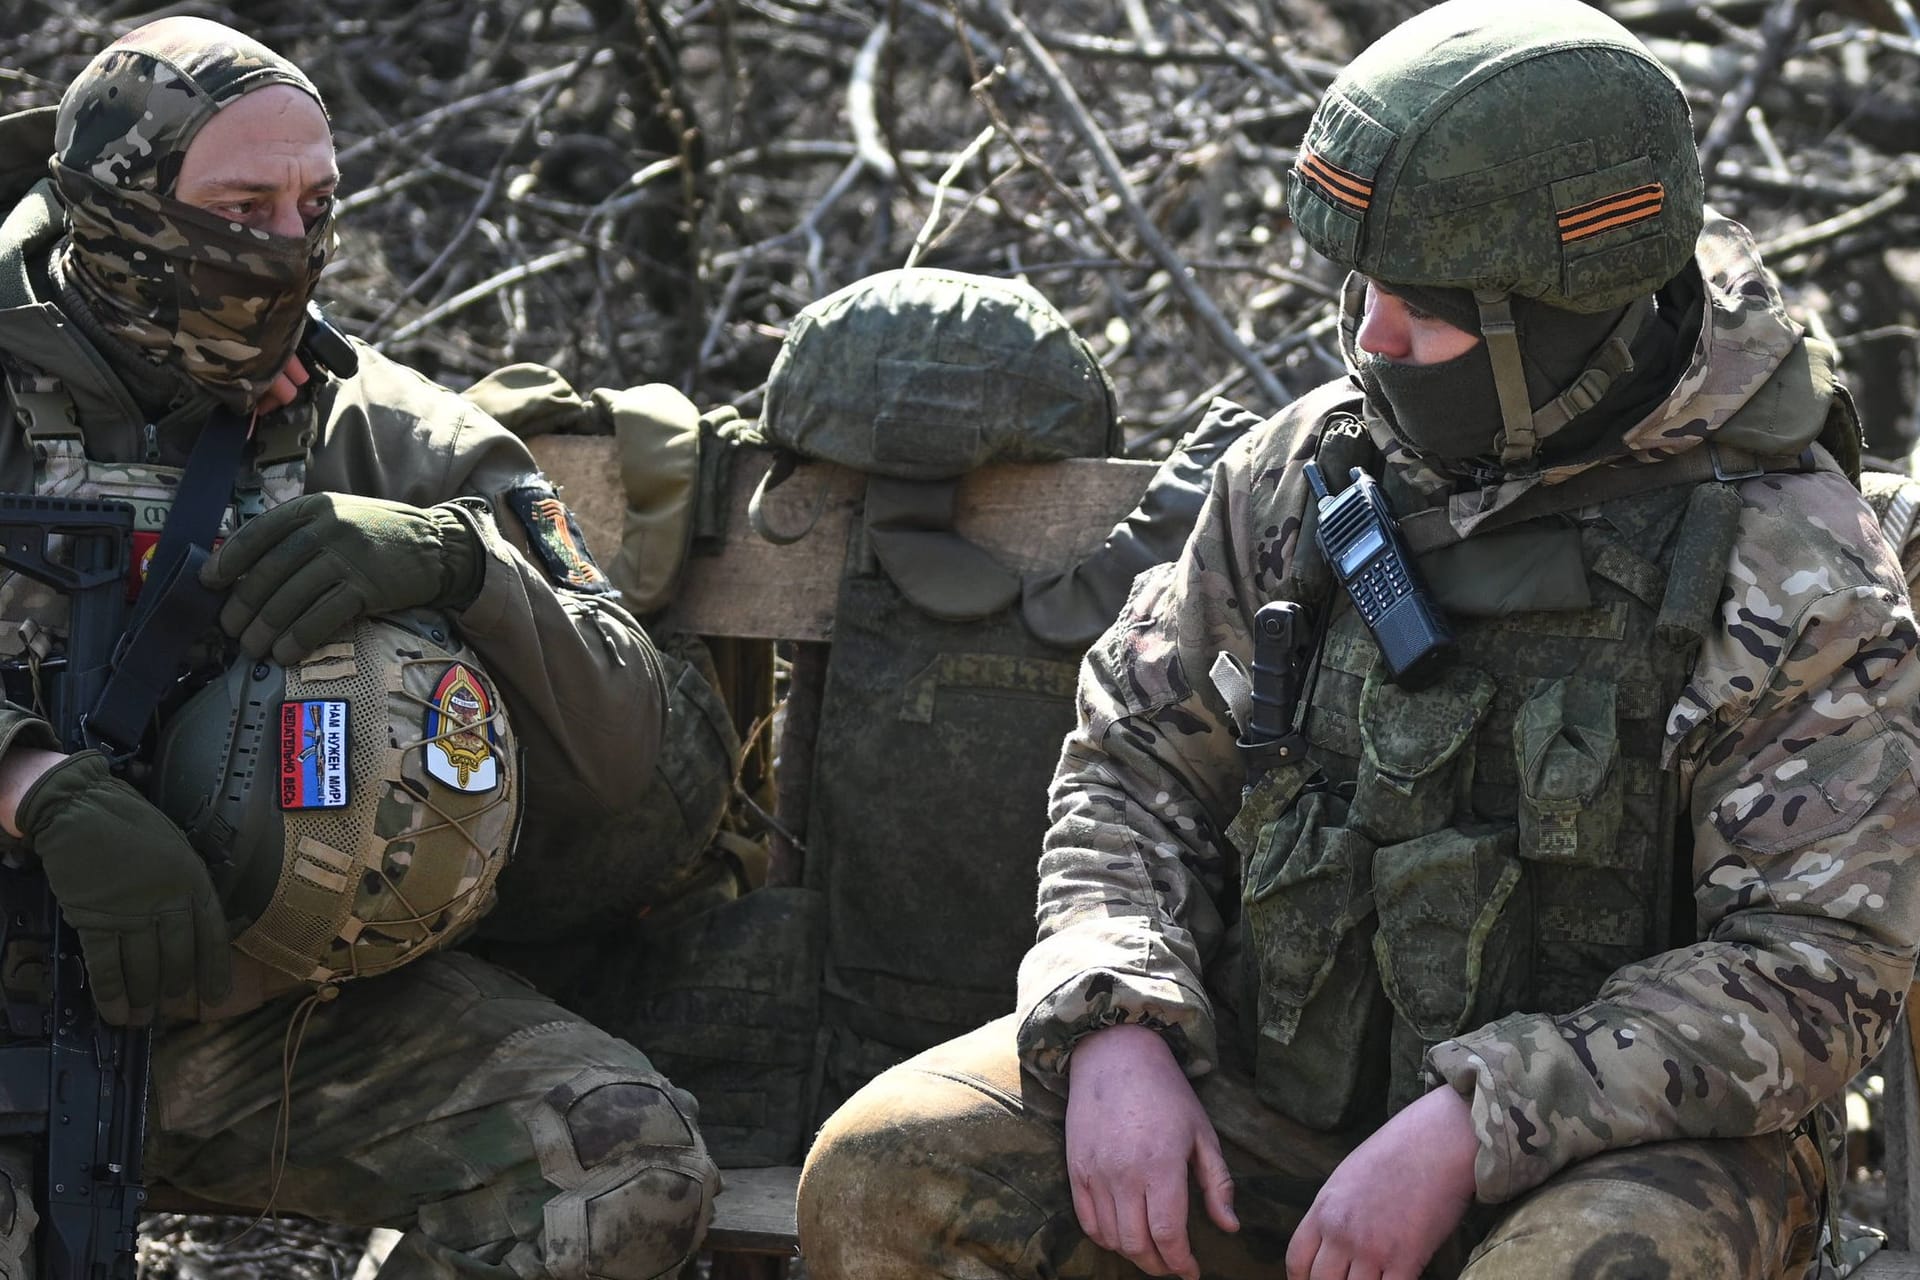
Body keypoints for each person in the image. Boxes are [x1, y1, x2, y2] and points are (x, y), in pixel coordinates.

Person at [795, 1, 1920, 1276]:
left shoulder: (1789, 563)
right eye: (1363, 290)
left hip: (1634, 1147)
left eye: (1424, 312)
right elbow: (1134, 766)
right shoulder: (1308, 472)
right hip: (1283, 1095)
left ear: (1556, 323)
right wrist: (1116, 1023)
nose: (1370, 339)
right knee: (891, 1174)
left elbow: (1814, 968)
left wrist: (1476, 1121)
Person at [0, 17, 719, 1279]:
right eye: (241, 205)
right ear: (114, 209)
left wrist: (460, 561)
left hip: (262, 1011)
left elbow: (623, 748)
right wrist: (32, 785)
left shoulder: (377, 426)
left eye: (315, 204)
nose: (288, 248)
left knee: (617, 1165)